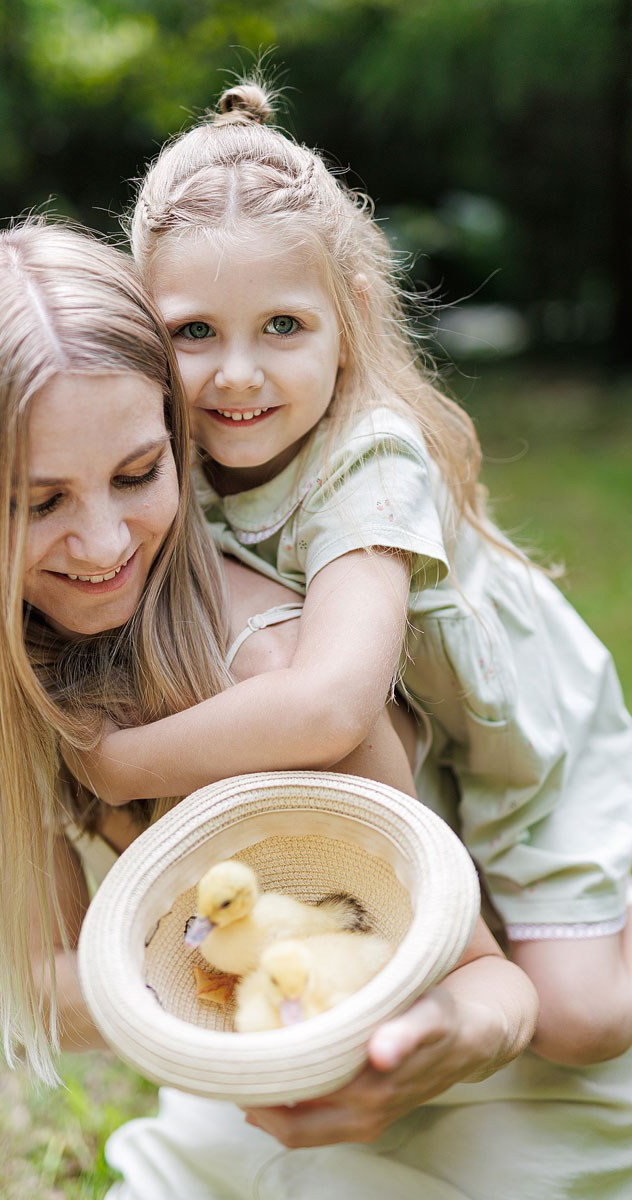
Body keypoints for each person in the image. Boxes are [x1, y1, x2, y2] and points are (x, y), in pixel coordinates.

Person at [66, 81, 632, 1076]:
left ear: (349, 316)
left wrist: (120, 764)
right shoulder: (166, 459)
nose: (235, 374)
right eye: (193, 333)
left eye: (281, 326)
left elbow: (330, 705)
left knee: (578, 1022)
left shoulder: (367, 457)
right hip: (442, 759)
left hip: (536, 758)